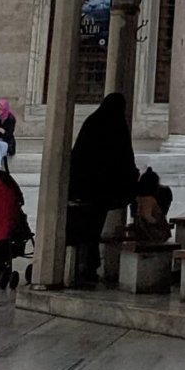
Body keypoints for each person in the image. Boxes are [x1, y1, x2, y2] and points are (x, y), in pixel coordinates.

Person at [65, 90, 138, 285]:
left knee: (86, 231)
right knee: (91, 231)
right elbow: (123, 157)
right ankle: (86, 269)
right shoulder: (116, 125)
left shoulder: (93, 121)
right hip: (99, 191)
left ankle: (82, 268)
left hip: (81, 186)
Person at [130, 165, 174, 245]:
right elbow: (148, 217)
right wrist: (158, 223)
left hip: (140, 231)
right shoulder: (151, 199)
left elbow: (135, 214)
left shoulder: (137, 198)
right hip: (151, 233)